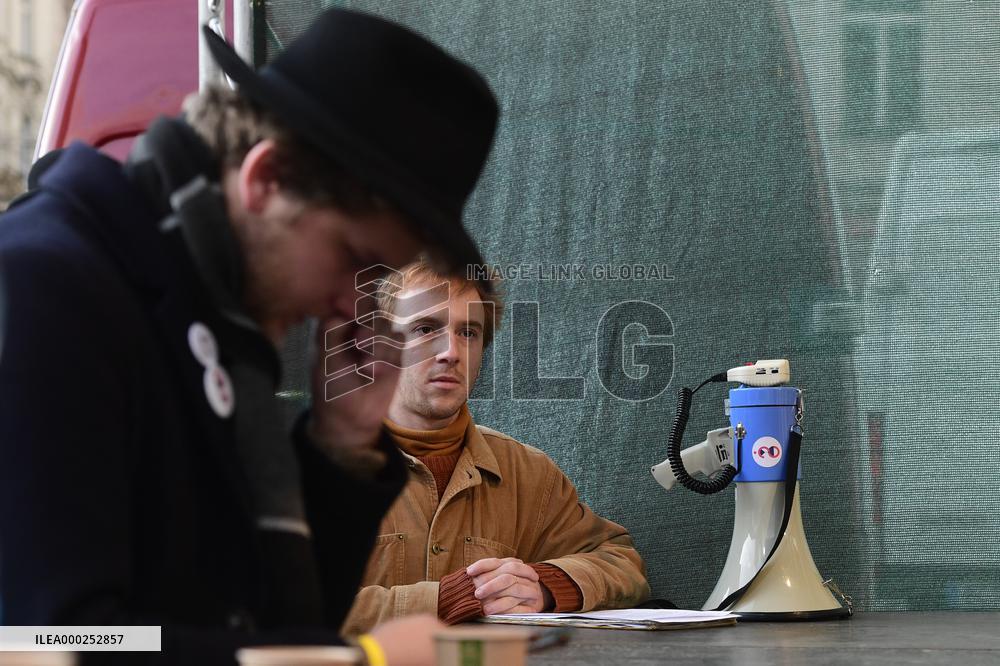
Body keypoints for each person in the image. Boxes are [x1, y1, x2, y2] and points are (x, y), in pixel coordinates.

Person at [0, 9, 498, 665]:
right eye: (353, 258)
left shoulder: (219, 317)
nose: (356, 303)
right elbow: (50, 640)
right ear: (265, 178)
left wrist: (341, 447)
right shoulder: (52, 288)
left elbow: (270, 611)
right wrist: (354, 661)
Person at [342, 259, 651, 635]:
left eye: (468, 333)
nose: (451, 352)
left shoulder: (527, 473)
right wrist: (441, 602)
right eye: (425, 328)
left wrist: (546, 585)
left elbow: (621, 563)